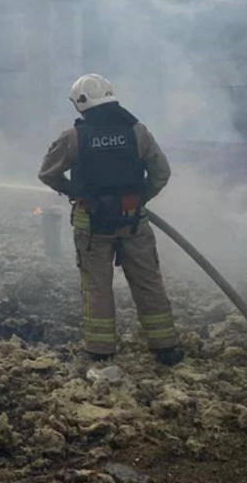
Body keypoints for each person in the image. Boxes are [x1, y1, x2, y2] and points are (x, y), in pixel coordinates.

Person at [38, 73, 184, 366]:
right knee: (148, 281)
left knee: (96, 286)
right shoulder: (137, 132)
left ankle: (100, 349)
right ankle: (165, 346)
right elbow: (161, 173)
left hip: (91, 225)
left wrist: (75, 192)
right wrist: (139, 199)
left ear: (81, 103)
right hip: (133, 222)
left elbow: (47, 173)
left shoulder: (74, 136)